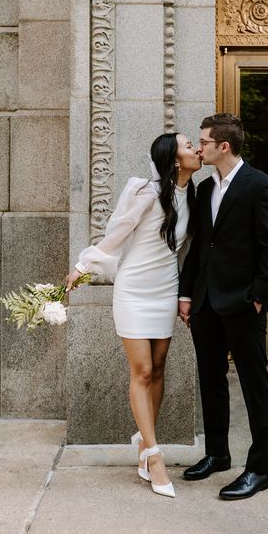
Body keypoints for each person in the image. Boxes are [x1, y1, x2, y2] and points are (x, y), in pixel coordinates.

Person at [66, 133, 201, 498]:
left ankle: (144, 444)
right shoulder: (147, 191)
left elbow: (186, 251)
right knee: (141, 370)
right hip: (134, 290)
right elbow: (119, 232)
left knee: (158, 368)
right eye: (189, 146)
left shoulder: (193, 195)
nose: (196, 150)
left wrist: (183, 294)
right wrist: (84, 265)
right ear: (174, 160)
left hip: (164, 290)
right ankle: (155, 457)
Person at [178, 113, 268, 501]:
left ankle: (259, 469)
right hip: (207, 303)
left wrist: (258, 296)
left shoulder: (262, 186)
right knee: (210, 380)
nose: (199, 147)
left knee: (255, 385)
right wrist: (187, 294)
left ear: (223, 146)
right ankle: (217, 453)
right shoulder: (205, 189)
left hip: (243, 304)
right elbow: (199, 247)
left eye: (204, 141)